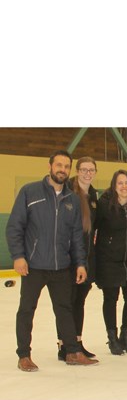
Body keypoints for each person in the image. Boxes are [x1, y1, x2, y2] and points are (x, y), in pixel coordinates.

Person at [6, 150, 99, 371]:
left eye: (66, 166)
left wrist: (80, 263)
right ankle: (24, 355)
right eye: (59, 165)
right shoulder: (30, 192)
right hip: (34, 266)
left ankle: (72, 352)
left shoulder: (72, 200)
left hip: (61, 267)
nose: (62, 170)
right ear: (50, 166)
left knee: (65, 309)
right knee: (27, 310)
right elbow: (14, 227)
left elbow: (77, 235)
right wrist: (18, 256)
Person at [95, 170, 127, 355]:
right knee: (110, 299)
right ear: (114, 186)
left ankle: (125, 335)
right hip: (109, 260)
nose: (124, 187)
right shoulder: (104, 204)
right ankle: (112, 338)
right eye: (120, 183)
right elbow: (94, 228)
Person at [56, 156, 98, 361]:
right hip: (68, 258)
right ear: (77, 170)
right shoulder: (67, 192)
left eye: (91, 170)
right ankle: (64, 345)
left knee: (79, 301)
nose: (87, 173)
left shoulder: (94, 196)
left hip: (86, 258)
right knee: (67, 302)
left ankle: (77, 342)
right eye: (84, 169)